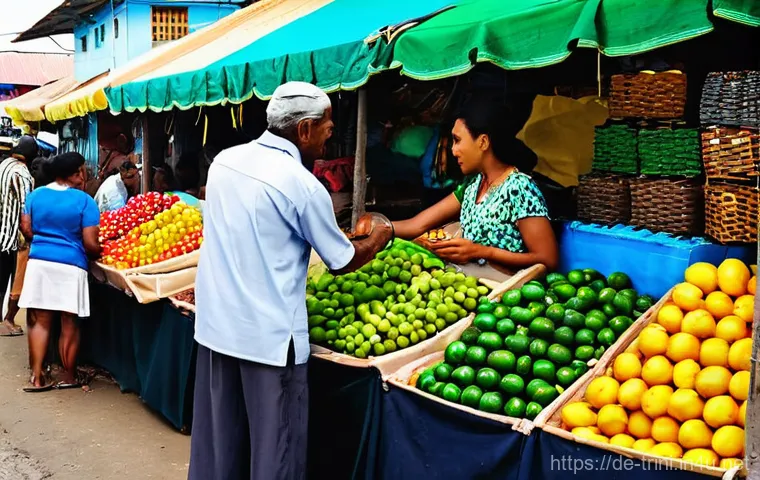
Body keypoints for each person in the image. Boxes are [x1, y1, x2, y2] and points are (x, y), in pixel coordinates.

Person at [190, 81, 392, 480]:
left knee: (220, 450)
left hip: (216, 329)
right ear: (303, 129)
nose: (330, 134)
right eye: (327, 126)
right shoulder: (300, 184)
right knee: (275, 454)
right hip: (269, 340)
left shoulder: (225, 162)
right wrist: (382, 232)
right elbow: (342, 259)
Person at [392, 97, 558, 272]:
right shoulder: (473, 186)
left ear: (483, 142)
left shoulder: (519, 188)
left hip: (503, 293)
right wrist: (379, 225)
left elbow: (547, 258)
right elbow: (418, 224)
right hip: (469, 288)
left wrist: (483, 252)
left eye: (457, 140)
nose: (453, 151)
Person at [19, 152, 101, 391]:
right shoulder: (85, 201)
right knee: (69, 322)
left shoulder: (35, 195)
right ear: (77, 173)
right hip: (71, 265)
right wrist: (96, 250)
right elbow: (90, 243)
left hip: (39, 263)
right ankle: (68, 376)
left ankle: (37, 377)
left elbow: (26, 228)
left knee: (40, 322)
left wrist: (47, 240)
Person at [3, 156, 54, 336]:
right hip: (29, 244)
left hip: (27, 243)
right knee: (20, 283)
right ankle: (9, 318)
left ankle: (10, 319)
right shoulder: (38, 195)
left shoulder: (33, 193)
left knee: (21, 284)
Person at [0, 135, 35, 336]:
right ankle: (9, 320)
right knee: (17, 281)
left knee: (1, 279)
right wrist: (29, 236)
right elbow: (25, 211)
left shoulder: (3, 165)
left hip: (1, 234)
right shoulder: (22, 173)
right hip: (15, 238)